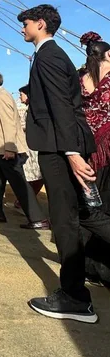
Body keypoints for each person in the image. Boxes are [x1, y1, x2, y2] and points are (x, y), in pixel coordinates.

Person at [19, 4, 110, 323]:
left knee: (64, 220)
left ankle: (74, 298)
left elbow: (59, 104)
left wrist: (70, 153)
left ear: (40, 24)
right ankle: (74, 293)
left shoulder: (48, 55)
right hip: (64, 144)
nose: (22, 28)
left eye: (26, 23)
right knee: (87, 214)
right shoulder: (52, 54)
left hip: (60, 148)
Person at [0, 71, 49, 229]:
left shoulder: (2, 96)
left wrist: (10, 148)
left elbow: (8, 122)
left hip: (6, 149)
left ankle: (38, 219)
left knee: (18, 183)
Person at [78, 32, 110, 286]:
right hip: (107, 152)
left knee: (91, 207)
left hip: (87, 152)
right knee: (104, 209)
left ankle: (89, 268)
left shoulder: (81, 80)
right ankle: (101, 269)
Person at [13, 85, 43, 209]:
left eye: (21, 94)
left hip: (33, 146)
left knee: (34, 174)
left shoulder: (33, 109)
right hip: (29, 145)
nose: (20, 96)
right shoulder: (28, 109)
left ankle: (28, 199)